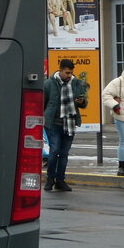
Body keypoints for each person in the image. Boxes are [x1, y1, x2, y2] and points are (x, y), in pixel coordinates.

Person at [43, 58, 87, 191]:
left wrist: (81, 102)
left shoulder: (76, 83)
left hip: (70, 123)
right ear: (60, 70)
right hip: (53, 123)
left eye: (71, 73)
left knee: (64, 154)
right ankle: (50, 179)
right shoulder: (49, 84)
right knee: (54, 151)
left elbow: (84, 102)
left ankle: (60, 180)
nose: (69, 75)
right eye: (67, 73)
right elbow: (43, 103)